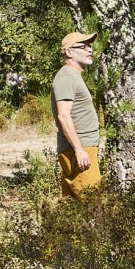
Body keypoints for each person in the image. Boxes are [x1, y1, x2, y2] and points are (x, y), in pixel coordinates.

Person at [53, 31, 103, 197]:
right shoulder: (66, 77)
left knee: (73, 212)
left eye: (90, 46)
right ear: (69, 52)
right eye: (84, 46)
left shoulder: (73, 76)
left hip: (81, 148)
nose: (90, 50)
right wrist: (79, 150)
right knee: (91, 205)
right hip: (80, 150)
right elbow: (63, 116)